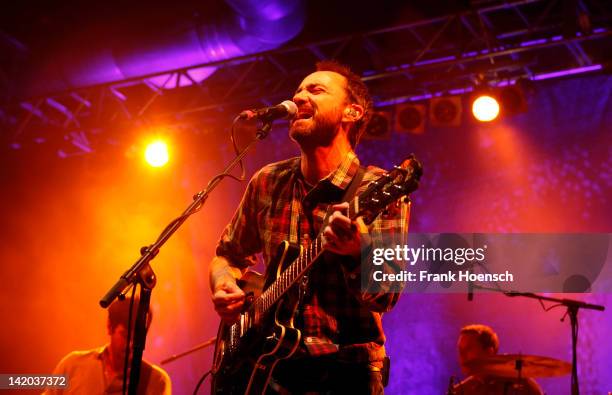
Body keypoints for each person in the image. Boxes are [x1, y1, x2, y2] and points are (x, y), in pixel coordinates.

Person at [209, 60, 411, 394]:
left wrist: (357, 250)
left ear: (352, 113)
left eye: (315, 90)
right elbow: (226, 257)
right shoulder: (267, 181)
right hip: (267, 368)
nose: (300, 97)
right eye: (298, 90)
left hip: (346, 375)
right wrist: (224, 285)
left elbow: (385, 297)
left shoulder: (376, 188)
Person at [43, 297, 171, 395]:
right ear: (110, 327)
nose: (131, 344)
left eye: (137, 338)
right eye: (125, 335)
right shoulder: (72, 365)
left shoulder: (156, 380)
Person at [453, 324, 543, 395]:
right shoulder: (460, 391)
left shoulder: (522, 386)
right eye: (460, 349)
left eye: (469, 348)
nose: (461, 354)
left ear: (489, 352)